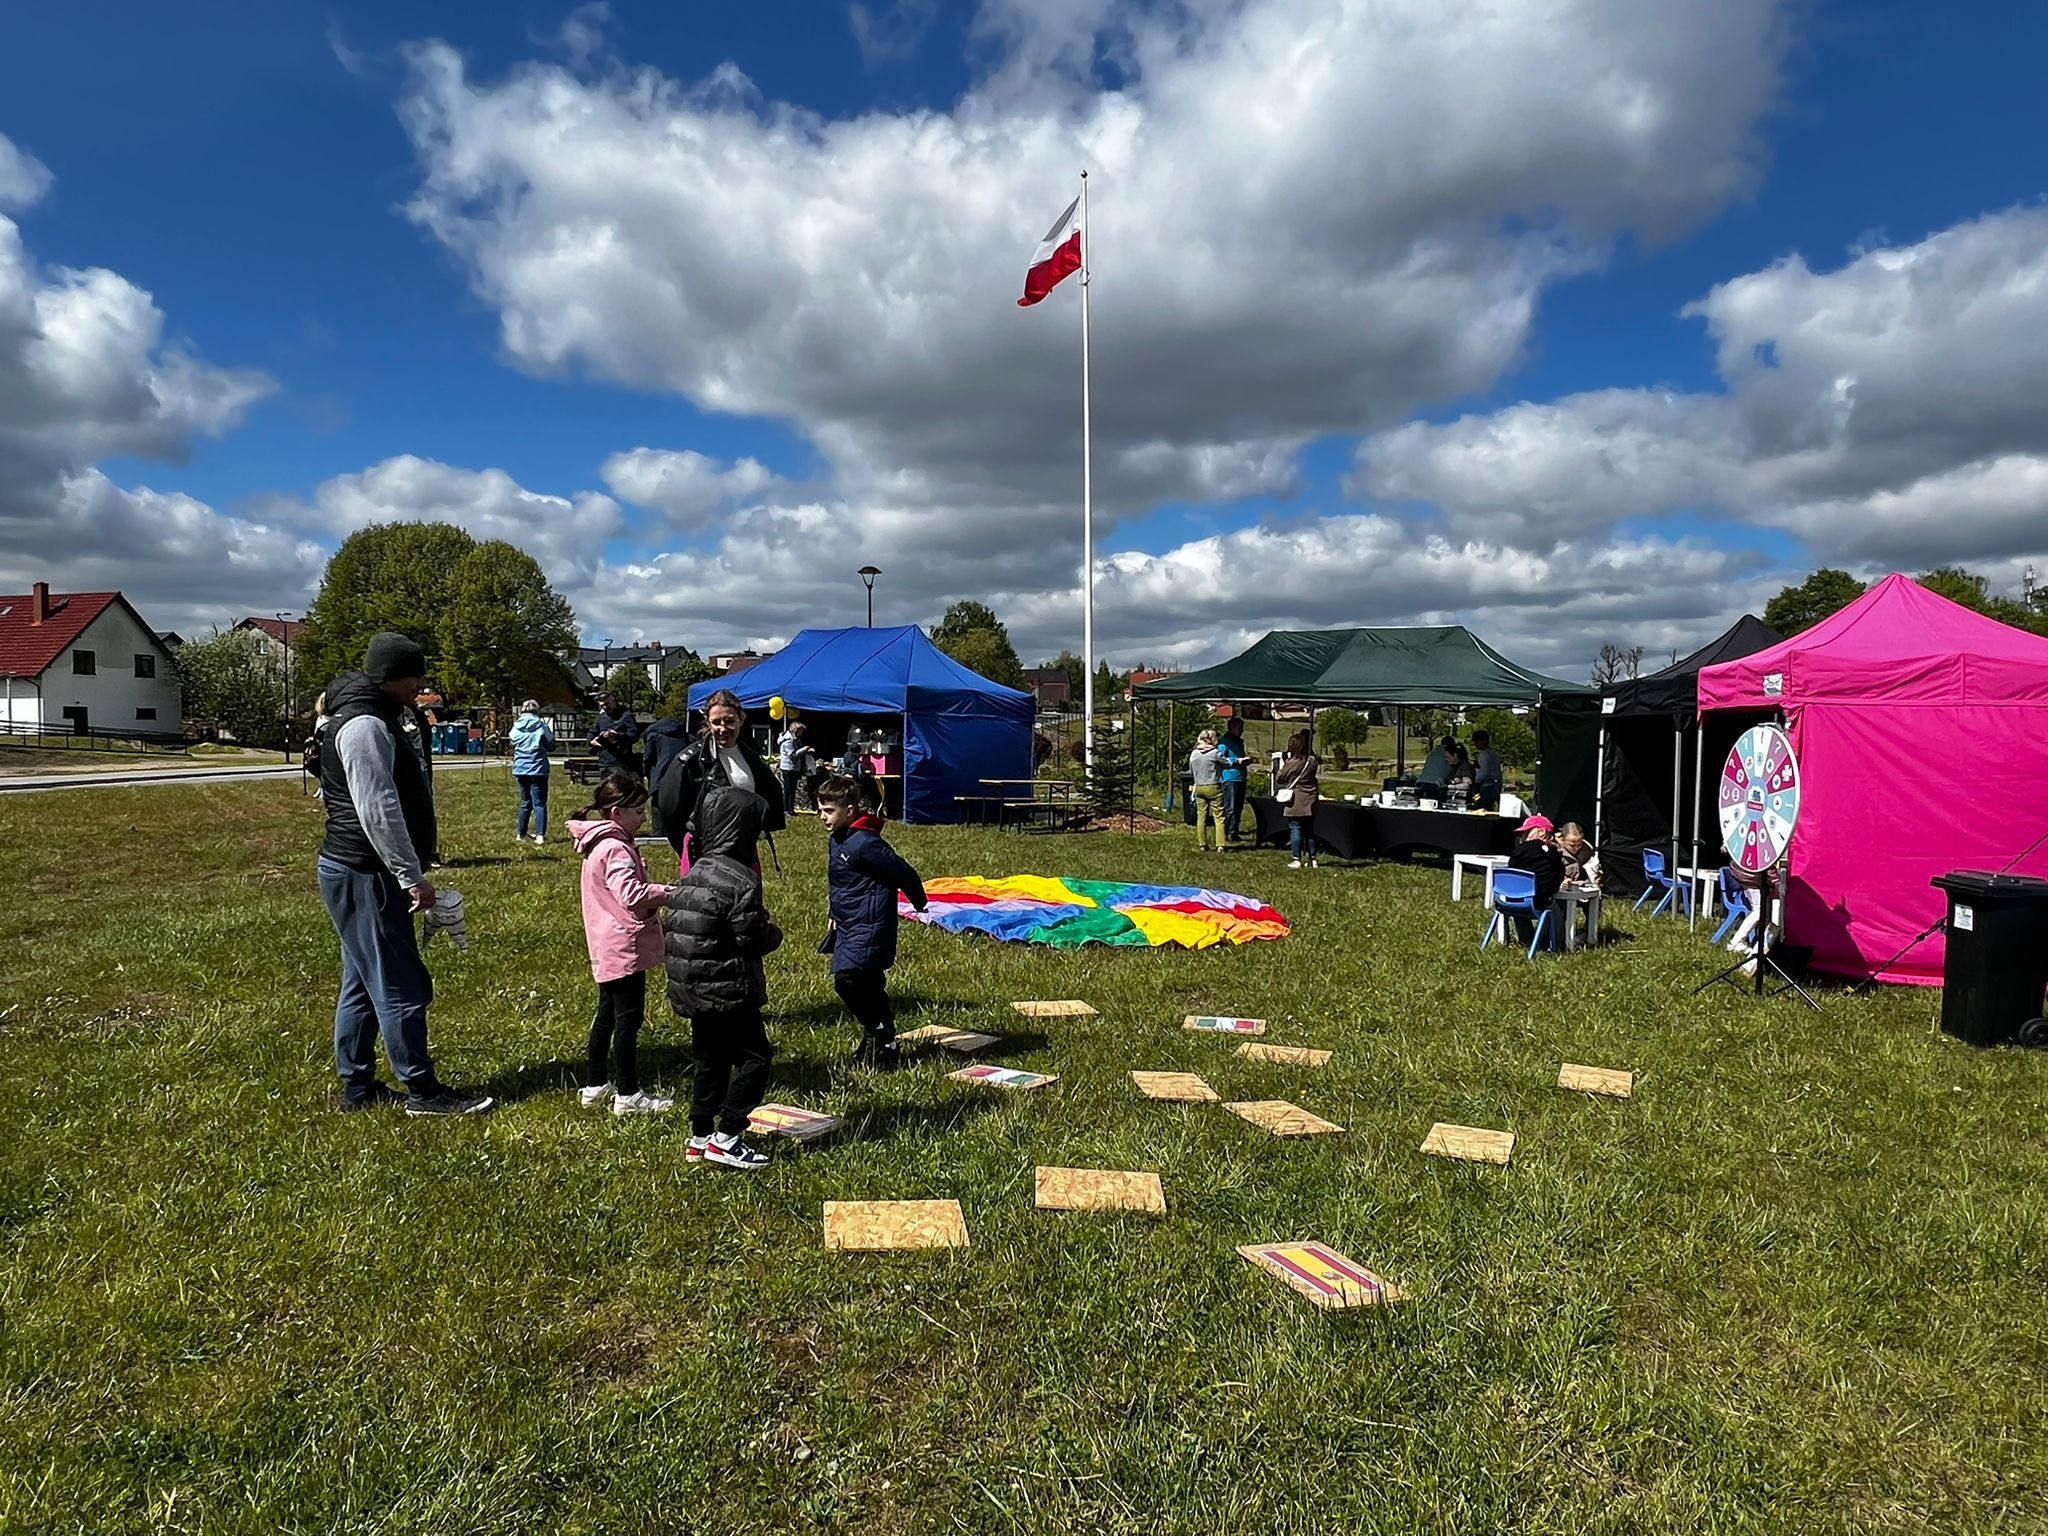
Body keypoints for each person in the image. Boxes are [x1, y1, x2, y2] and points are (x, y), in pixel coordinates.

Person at [316, 631, 492, 1116]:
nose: (421, 684)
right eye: (416, 675)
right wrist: (410, 875)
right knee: (398, 984)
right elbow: (379, 809)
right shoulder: (365, 725)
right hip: (367, 872)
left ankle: (358, 1087)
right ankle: (423, 1091)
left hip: (354, 868)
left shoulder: (361, 714)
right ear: (394, 676)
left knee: (361, 979)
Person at [662, 785, 781, 1169]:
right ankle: (727, 1135)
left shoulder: (693, 873)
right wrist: (772, 931)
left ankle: (699, 1136)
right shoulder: (741, 881)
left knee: (708, 1061)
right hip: (728, 988)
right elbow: (752, 939)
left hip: (694, 987)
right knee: (755, 1059)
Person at [569, 772, 675, 1115]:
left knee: (607, 1017)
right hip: (623, 944)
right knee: (629, 1020)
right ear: (616, 812)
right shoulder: (616, 847)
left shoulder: (600, 842)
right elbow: (631, 895)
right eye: (638, 811)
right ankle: (628, 1094)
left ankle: (595, 1083)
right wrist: (671, 893)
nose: (644, 817)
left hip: (606, 942)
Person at [816, 773, 928, 1070]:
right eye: (820, 809)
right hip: (848, 922)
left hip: (871, 923)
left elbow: (903, 872)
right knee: (868, 983)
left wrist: (920, 902)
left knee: (848, 980)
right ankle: (882, 1039)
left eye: (829, 811)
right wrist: (833, 913)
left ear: (850, 810)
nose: (822, 817)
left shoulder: (865, 844)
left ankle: (877, 1031)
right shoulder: (837, 840)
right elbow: (840, 883)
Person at [655, 689, 787, 872]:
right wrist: (687, 845)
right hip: (703, 851)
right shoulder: (689, 761)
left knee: (747, 899)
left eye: (730, 721)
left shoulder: (752, 757)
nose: (723, 728)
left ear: (742, 718)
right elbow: (670, 811)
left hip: (744, 848)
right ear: (708, 723)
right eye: (716, 722)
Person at [1505, 814, 1566, 951]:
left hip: (1509, 902)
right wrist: (1554, 888)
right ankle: (1556, 943)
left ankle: (1526, 940)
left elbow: (1512, 870)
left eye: (1526, 832)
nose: (1523, 837)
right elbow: (1558, 873)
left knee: (1519, 903)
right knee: (1556, 909)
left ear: (1540, 831)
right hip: (1539, 901)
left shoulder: (1519, 851)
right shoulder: (1552, 853)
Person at [509, 698, 555, 845]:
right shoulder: (541, 725)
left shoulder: (516, 726)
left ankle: (521, 834)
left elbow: (511, 742)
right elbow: (551, 745)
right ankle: (540, 835)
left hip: (520, 768)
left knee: (525, 802)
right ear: (537, 711)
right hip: (538, 768)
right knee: (539, 803)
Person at [640, 708, 690, 839]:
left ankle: (658, 831)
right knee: (680, 802)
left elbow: (648, 757)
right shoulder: (683, 734)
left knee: (657, 803)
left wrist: (646, 772)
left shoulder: (653, 735)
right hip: (680, 772)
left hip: (660, 772)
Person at [1275, 730, 1321, 869]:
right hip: (1311, 797)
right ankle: (1313, 858)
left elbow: (1280, 778)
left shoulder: (1293, 762)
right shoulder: (1312, 761)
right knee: (1310, 830)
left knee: (1296, 828)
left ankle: (1297, 858)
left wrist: (1284, 762)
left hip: (1297, 798)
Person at [1188, 729, 1225, 852]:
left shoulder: (1194, 754)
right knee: (1218, 816)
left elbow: (1191, 771)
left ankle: (1202, 844)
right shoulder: (1215, 753)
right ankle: (1220, 844)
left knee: (1201, 816)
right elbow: (1226, 762)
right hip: (1213, 785)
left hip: (1199, 786)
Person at [591, 691, 641, 780]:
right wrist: (592, 741)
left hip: (621, 762)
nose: (605, 707)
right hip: (604, 762)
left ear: (613, 700)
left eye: (607, 704)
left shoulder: (626, 716)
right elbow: (591, 732)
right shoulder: (601, 718)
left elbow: (635, 736)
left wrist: (618, 736)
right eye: (602, 706)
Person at [1217, 716, 1251, 843]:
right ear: (1232, 728)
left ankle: (1234, 832)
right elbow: (1220, 759)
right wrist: (1237, 760)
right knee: (1229, 808)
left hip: (1240, 777)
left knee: (1238, 808)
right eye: (1240, 728)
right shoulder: (1224, 743)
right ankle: (1224, 833)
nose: (1242, 730)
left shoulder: (1239, 742)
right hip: (1229, 778)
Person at [777, 720, 811, 817]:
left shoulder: (794, 740)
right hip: (789, 768)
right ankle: (787, 809)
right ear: (796, 730)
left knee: (791, 789)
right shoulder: (788, 741)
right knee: (789, 789)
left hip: (793, 768)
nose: (802, 733)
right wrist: (805, 749)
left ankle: (789, 808)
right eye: (801, 731)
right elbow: (793, 755)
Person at [1557, 822, 1600, 886]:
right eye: (1572, 845)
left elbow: (1594, 866)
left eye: (1579, 845)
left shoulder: (1587, 849)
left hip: (1582, 885)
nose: (1576, 848)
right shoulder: (1556, 851)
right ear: (1562, 840)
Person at [1472, 729, 1504, 802]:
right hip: (1496, 785)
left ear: (1484, 741)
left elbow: (1483, 772)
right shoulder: (1494, 754)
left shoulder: (1484, 755)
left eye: (1476, 741)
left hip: (1487, 786)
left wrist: (1474, 781)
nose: (1475, 744)